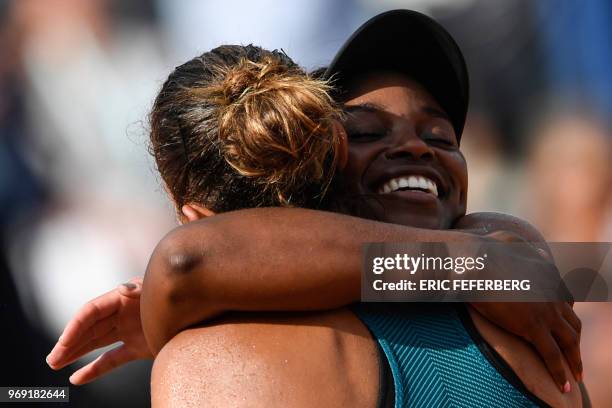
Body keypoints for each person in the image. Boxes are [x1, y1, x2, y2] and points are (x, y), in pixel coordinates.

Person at [48, 11, 586, 407]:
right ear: (326, 164)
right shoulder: (504, 276)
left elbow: (185, 262)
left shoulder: (202, 364)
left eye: (443, 135)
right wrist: (471, 264)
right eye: (367, 132)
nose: (417, 146)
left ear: (190, 213)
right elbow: (188, 263)